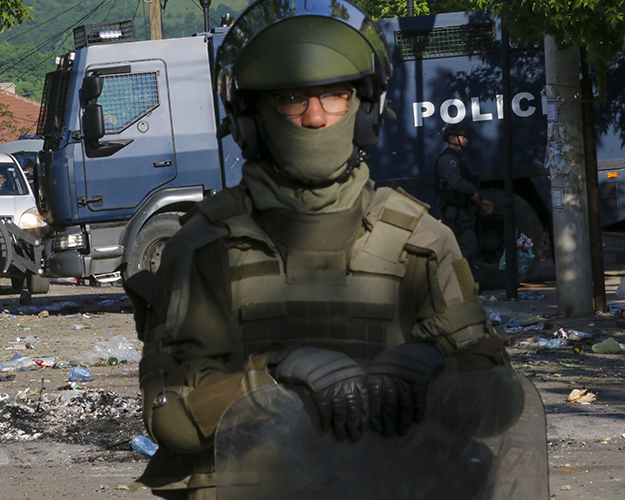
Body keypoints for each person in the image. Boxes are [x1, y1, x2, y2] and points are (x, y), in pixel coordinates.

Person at [124, 1, 517, 499]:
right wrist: (268, 378)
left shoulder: (421, 241)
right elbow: (170, 418)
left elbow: (501, 403)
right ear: (251, 118)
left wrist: (437, 369)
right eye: (291, 98)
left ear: (364, 110)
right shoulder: (207, 247)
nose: (314, 118)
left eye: (334, 95)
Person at [434, 124, 493, 261]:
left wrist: (480, 201)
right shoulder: (449, 160)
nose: (466, 140)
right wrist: (472, 190)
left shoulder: (455, 158)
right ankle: (456, 276)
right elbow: (456, 182)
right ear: (453, 139)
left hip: (459, 210)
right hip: (454, 211)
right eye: (463, 137)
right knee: (468, 245)